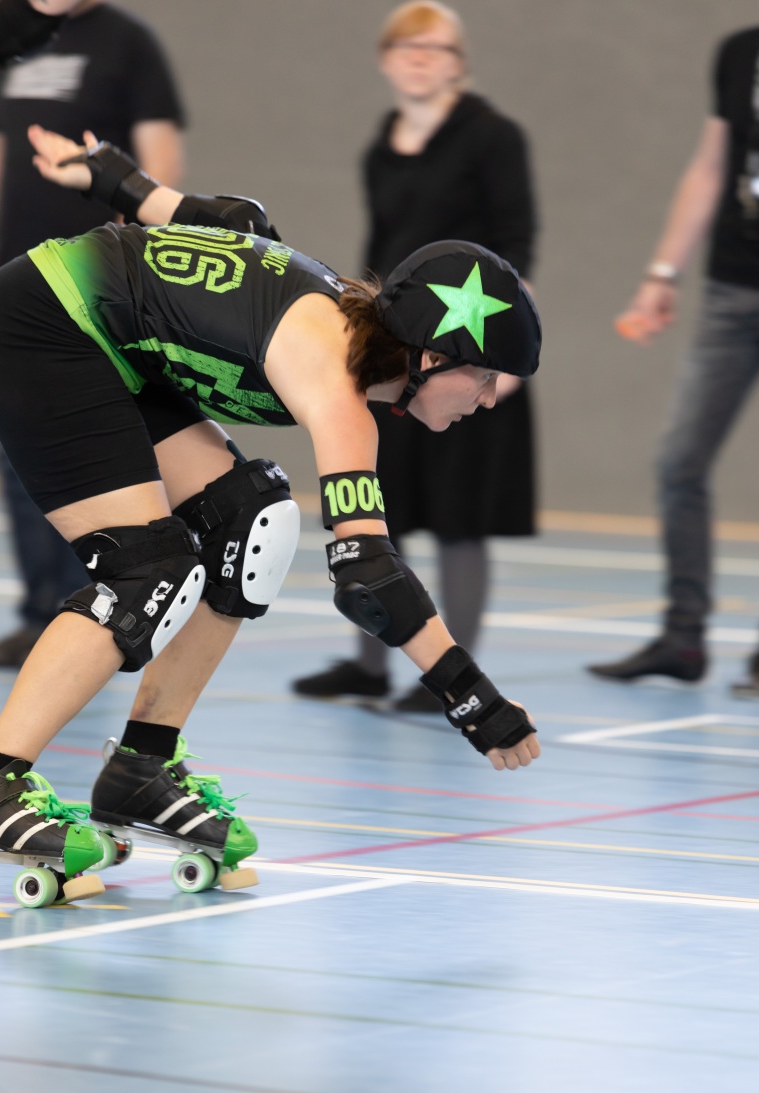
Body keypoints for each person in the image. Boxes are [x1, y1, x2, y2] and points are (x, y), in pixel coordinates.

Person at [0, 125, 542, 908]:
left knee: (250, 521)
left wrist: (115, 179)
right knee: (147, 572)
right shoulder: (336, 382)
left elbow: (231, 223)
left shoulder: (338, 317)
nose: (488, 399)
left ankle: (142, 767)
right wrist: (473, 699)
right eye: (483, 377)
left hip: (111, 345)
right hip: (44, 329)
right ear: (431, 355)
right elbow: (369, 578)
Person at [293, 2, 538, 712]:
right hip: (401, 360)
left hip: (468, 361)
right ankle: (369, 663)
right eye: (408, 48)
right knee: (378, 506)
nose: (421, 59)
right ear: (387, 60)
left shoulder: (493, 136)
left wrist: (498, 369)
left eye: (436, 48)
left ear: (459, 63)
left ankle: (451, 670)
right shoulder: (382, 145)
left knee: (460, 519)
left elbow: (516, 249)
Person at [589, 1, 759, 698]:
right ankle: (682, 637)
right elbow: (711, 168)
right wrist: (662, 274)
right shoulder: (741, 51)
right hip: (732, 289)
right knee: (679, 461)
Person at [0, 0, 185, 667]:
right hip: (19, 287)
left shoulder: (130, 43)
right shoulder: (15, 36)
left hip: (97, 286)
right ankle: (44, 613)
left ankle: (109, 604)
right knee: (20, 458)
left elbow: (161, 163)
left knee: (103, 452)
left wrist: (141, 267)